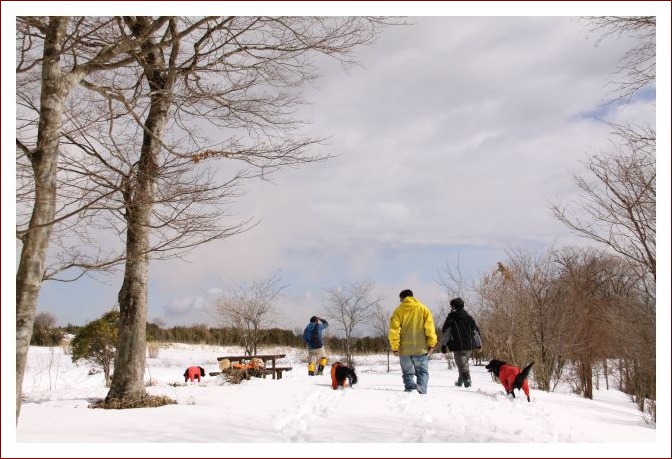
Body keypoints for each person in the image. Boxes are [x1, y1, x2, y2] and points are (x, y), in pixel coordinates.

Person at [388, 289, 437, 394]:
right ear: (412, 296)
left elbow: (394, 331)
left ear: (402, 298)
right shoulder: (423, 308)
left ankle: (410, 390)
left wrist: (395, 347)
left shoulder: (398, 311)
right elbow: (430, 328)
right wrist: (432, 344)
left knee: (407, 372)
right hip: (420, 349)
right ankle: (422, 392)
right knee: (422, 372)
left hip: (404, 350)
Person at [440, 297, 481, 388]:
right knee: (463, 364)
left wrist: (444, 345)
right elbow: (475, 332)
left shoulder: (451, 318)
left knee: (461, 364)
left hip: (457, 345)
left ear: (453, 306)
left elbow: (447, 333)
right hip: (469, 346)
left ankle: (467, 383)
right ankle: (460, 381)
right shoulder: (470, 318)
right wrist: (478, 344)